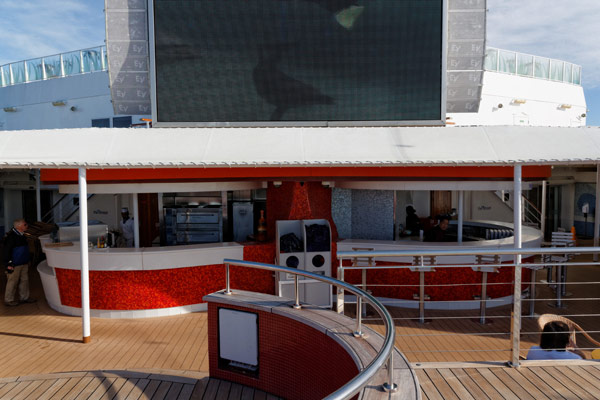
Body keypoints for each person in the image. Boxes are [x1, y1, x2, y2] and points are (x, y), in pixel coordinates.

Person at [1, 219, 36, 306]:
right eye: (25, 224)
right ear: (18, 226)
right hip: (14, 264)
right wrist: (8, 263)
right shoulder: (11, 237)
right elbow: (6, 252)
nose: (27, 226)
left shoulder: (23, 235)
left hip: (24, 263)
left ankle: (24, 297)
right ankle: (9, 300)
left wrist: (28, 260)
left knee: (25, 280)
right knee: (12, 282)